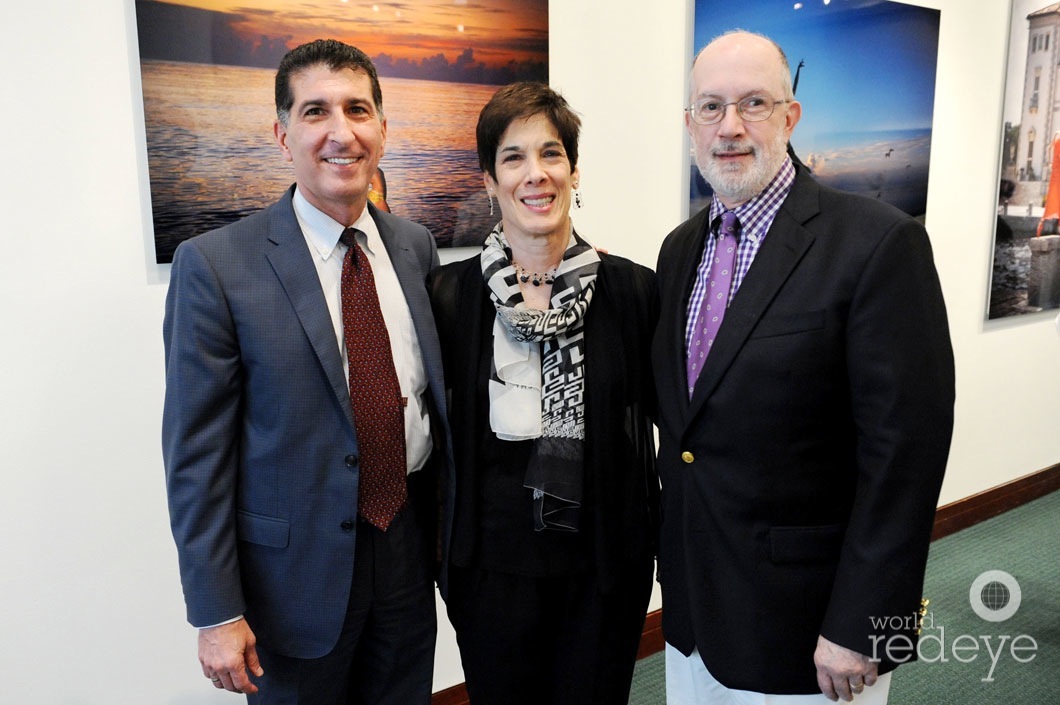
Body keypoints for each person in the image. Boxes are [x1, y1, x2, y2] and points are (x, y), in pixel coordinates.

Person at [653, 31, 955, 704]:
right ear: (689, 125)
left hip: (814, 633)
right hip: (696, 614)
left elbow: (906, 450)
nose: (730, 127)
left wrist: (867, 624)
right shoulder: (679, 251)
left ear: (790, 117)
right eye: (710, 107)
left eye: (753, 103)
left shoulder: (879, 243)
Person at [161, 39, 451, 705]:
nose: (340, 132)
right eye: (316, 111)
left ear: (382, 128)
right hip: (291, 583)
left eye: (358, 109)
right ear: (283, 134)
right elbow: (196, 457)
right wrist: (215, 612)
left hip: (406, 555)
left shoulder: (414, 247)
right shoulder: (216, 265)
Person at [428, 81, 659, 705]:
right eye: (513, 157)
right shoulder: (448, 298)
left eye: (551, 154)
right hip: (490, 574)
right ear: (488, 180)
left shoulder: (632, 292)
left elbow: (673, 422)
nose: (536, 175)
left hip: (603, 573)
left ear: (574, 170)